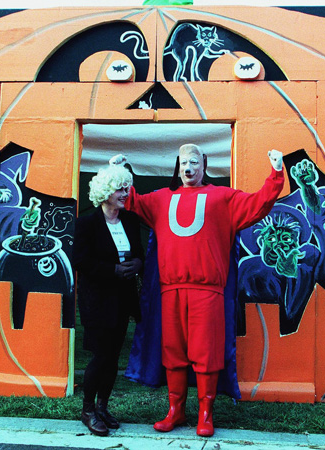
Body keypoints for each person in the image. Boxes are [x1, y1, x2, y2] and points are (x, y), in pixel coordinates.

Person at [112, 144, 284, 437]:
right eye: (183, 163)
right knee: (173, 351)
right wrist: (118, 172)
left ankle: (206, 415)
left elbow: (258, 203)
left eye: (193, 162)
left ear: (204, 164)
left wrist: (276, 172)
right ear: (177, 167)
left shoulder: (223, 197)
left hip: (207, 291)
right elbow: (132, 201)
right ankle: (175, 411)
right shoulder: (162, 199)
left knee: (206, 352)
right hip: (171, 290)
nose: (188, 168)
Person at [72, 159, 143, 436]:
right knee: (101, 356)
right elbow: (80, 260)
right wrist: (113, 270)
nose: (125, 194)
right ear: (105, 192)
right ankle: (88, 410)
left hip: (123, 300)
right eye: (119, 189)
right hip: (97, 301)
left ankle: (103, 407)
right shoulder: (87, 224)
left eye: (127, 188)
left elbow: (139, 253)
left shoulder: (130, 220)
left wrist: (138, 263)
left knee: (113, 357)